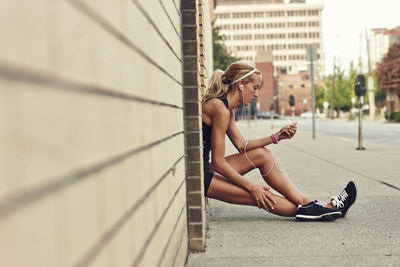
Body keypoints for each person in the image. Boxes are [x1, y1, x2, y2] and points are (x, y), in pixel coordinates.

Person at [202, 61, 356, 221]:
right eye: (254, 88)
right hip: (202, 177)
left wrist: (277, 136)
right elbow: (217, 163)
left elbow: (242, 146)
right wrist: (252, 187)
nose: (256, 94)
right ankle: (321, 209)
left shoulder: (228, 110)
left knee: (263, 154)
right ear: (241, 84)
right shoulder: (220, 109)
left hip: (209, 170)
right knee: (262, 196)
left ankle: (310, 204)